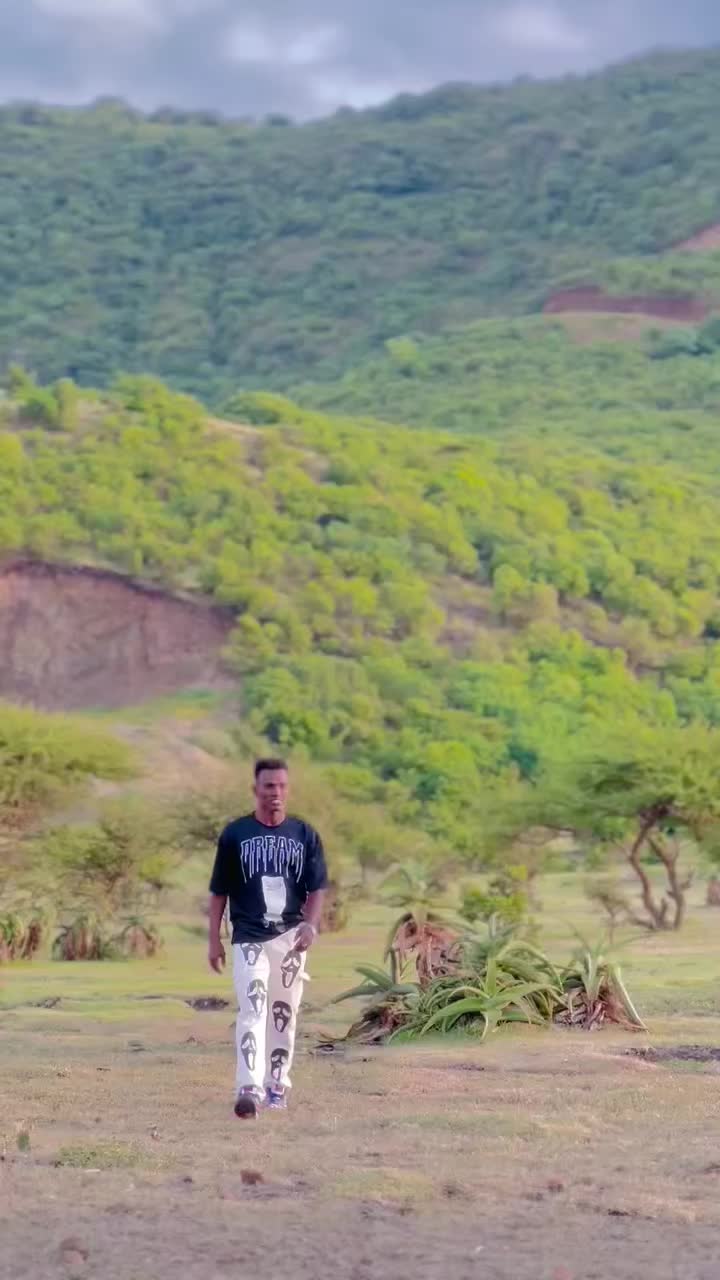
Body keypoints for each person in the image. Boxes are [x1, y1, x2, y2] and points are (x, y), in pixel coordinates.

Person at [207, 758, 328, 1119]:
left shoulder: (304, 835)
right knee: (252, 1008)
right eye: (268, 786)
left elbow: (317, 887)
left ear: (288, 789)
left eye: (281, 786)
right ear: (255, 790)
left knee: (283, 1015)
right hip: (248, 938)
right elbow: (218, 892)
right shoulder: (235, 835)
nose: (275, 792)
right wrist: (214, 939)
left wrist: (310, 925)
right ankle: (248, 1088)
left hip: (290, 938)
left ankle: (277, 1085)